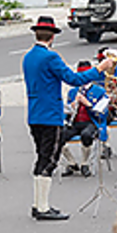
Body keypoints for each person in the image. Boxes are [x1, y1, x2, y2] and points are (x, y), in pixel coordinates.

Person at [23, 15, 112, 221]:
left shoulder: (28, 56)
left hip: (35, 113)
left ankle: (39, 204)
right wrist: (99, 68)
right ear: (52, 37)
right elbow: (74, 79)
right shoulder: (51, 57)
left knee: (42, 158)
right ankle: (43, 208)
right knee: (49, 160)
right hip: (50, 116)